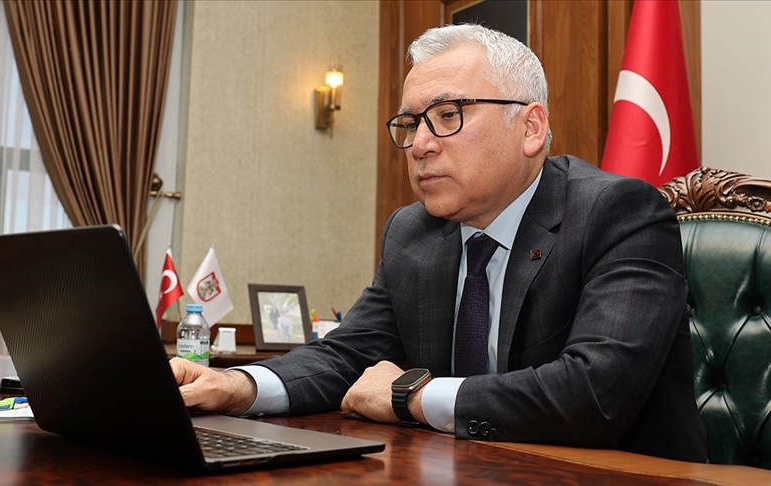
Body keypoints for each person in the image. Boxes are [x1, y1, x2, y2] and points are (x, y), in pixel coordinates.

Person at [170, 24, 708, 463]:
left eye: (448, 116)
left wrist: (410, 395)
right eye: (410, 123)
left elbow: (595, 393)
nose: (420, 145)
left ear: (530, 128)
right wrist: (237, 385)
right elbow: (347, 356)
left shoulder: (619, 212)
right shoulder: (413, 231)